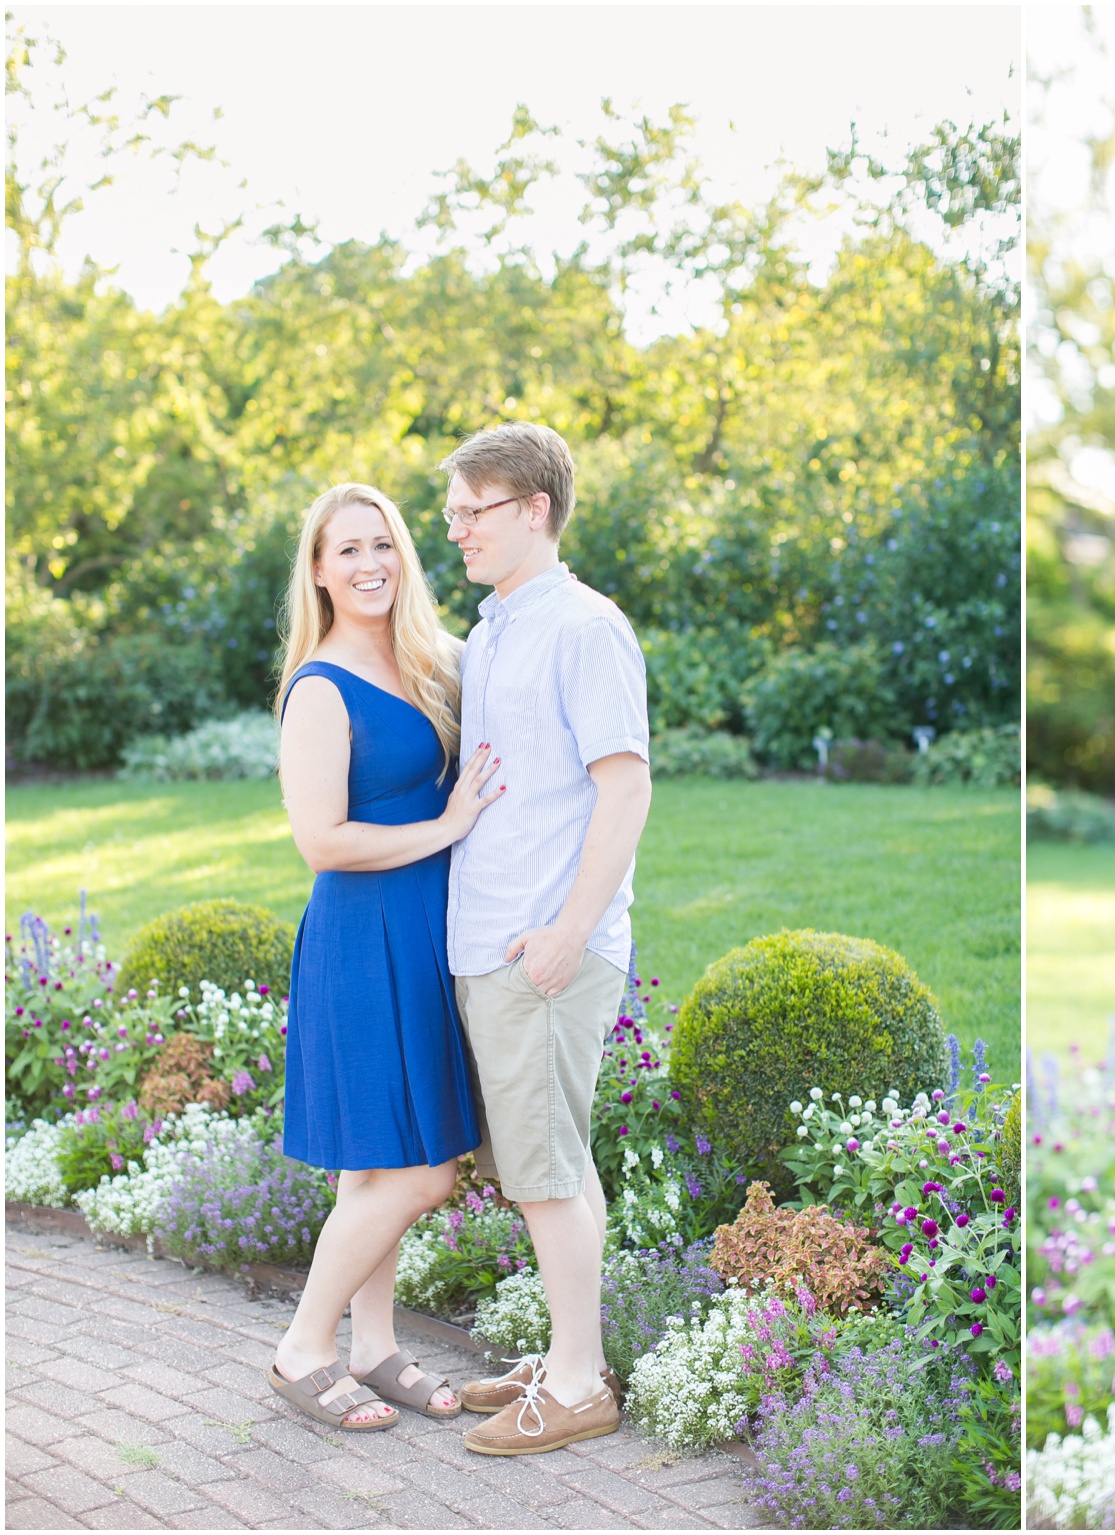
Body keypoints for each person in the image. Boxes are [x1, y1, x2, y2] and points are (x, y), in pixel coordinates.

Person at [435, 422, 653, 1456]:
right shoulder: (494, 631)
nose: (456, 529)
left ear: (534, 510)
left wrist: (567, 932)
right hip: (489, 942)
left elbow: (625, 784)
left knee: (546, 1169)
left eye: (474, 509)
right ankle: (570, 1350)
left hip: (544, 949)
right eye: (452, 512)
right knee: (541, 1159)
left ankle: (576, 1384)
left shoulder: (584, 626)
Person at [269, 484, 506, 1431]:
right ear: (319, 572)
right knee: (422, 1171)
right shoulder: (322, 685)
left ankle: (373, 1348)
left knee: (373, 1171)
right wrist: (448, 823)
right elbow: (321, 840)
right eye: (347, 551)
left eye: (383, 545)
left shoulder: (421, 657)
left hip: (422, 930)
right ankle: (301, 1346)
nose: (369, 563)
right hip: (363, 938)